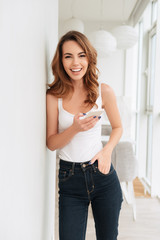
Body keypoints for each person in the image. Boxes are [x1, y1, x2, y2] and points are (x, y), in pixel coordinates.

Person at [46, 30, 123, 240]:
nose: (75, 62)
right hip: (70, 179)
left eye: (81, 55)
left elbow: (118, 127)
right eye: (68, 56)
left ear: (89, 57)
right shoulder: (54, 97)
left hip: (102, 174)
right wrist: (75, 128)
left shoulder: (103, 91)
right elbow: (51, 143)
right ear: (61, 61)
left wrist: (107, 151)